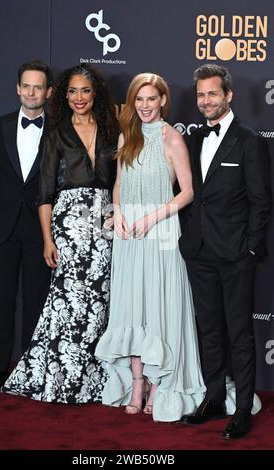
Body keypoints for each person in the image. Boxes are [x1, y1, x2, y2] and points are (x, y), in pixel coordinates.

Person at [2, 64, 119, 403]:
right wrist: (48, 239)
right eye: (72, 91)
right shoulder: (56, 133)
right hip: (68, 223)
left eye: (84, 90)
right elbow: (45, 194)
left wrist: (116, 212)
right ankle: (62, 379)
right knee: (68, 302)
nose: (78, 98)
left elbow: (120, 180)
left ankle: (97, 382)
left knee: (98, 303)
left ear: (94, 93)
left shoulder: (111, 130)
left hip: (105, 222)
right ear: (63, 96)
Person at [95, 72, 206, 422]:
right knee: (132, 313)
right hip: (129, 238)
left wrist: (150, 218)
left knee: (158, 312)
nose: (144, 106)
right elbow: (117, 186)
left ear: (162, 101)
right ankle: (138, 384)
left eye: (151, 99)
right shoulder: (128, 136)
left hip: (159, 235)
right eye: (138, 100)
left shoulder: (172, 138)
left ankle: (160, 387)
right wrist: (120, 216)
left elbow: (187, 192)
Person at [179, 64, 271, 439]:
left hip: (235, 255)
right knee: (209, 330)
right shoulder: (195, 139)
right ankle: (214, 398)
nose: (205, 101)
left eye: (212, 94)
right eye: (201, 95)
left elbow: (261, 201)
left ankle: (243, 410)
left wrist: (249, 249)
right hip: (199, 251)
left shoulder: (250, 142)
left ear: (228, 96)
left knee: (239, 333)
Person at [0, 60, 53, 394]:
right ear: (18, 89)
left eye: (39, 87)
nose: (32, 92)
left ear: (48, 92)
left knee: (36, 302)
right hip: (2, 228)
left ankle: (30, 370)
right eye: (27, 86)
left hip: (41, 230)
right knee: (1, 300)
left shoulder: (59, 131)